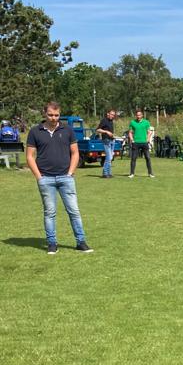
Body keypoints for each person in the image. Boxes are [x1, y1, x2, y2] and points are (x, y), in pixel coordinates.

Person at [25, 102, 92, 254]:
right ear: (44, 113)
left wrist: (70, 173)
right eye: (50, 115)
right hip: (46, 179)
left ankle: (81, 242)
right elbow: (29, 156)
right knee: (50, 213)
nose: (53, 118)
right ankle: (52, 244)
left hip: (66, 178)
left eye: (56, 115)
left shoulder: (67, 130)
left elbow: (75, 153)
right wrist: (39, 177)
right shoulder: (35, 131)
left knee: (74, 211)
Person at [127, 108, 155, 178]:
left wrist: (147, 139)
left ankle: (150, 173)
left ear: (142, 115)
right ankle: (132, 173)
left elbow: (149, 132)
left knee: (148, 158)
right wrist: (132, 140)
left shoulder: (146, 122)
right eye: (137, 115)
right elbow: (130, 132)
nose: (138, 116)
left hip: (144, 143)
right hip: (136, 143)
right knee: (133, 158)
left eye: (139, 115)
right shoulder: (132, 122)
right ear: (136, 116)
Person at [95, 108, 117, 178]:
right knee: (109, 157)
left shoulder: (111, 121)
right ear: (108, 114)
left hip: (111, 140)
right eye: (111, 114)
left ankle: (109, 173)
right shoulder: (104, 120)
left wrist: (113, 136)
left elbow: (110, 132)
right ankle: (105, 173)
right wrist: (106, 132)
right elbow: (98, 129)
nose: (112, 116)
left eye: (113, 115)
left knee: (110, 158)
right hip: (106, 140)